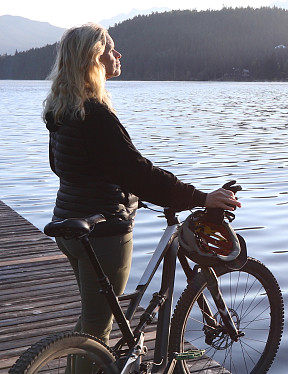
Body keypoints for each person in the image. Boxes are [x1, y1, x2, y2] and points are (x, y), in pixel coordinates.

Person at [43, 22, 240, 372]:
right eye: (110, 50)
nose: (118, 55)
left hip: (67, 223)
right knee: (97, 327)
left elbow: (65, 168)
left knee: (91, 319)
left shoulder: (61, 112)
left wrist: (124, 188)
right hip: (103, 230)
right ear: (94, 59)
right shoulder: (96, 116)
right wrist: (200, 197)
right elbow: (139, 173)